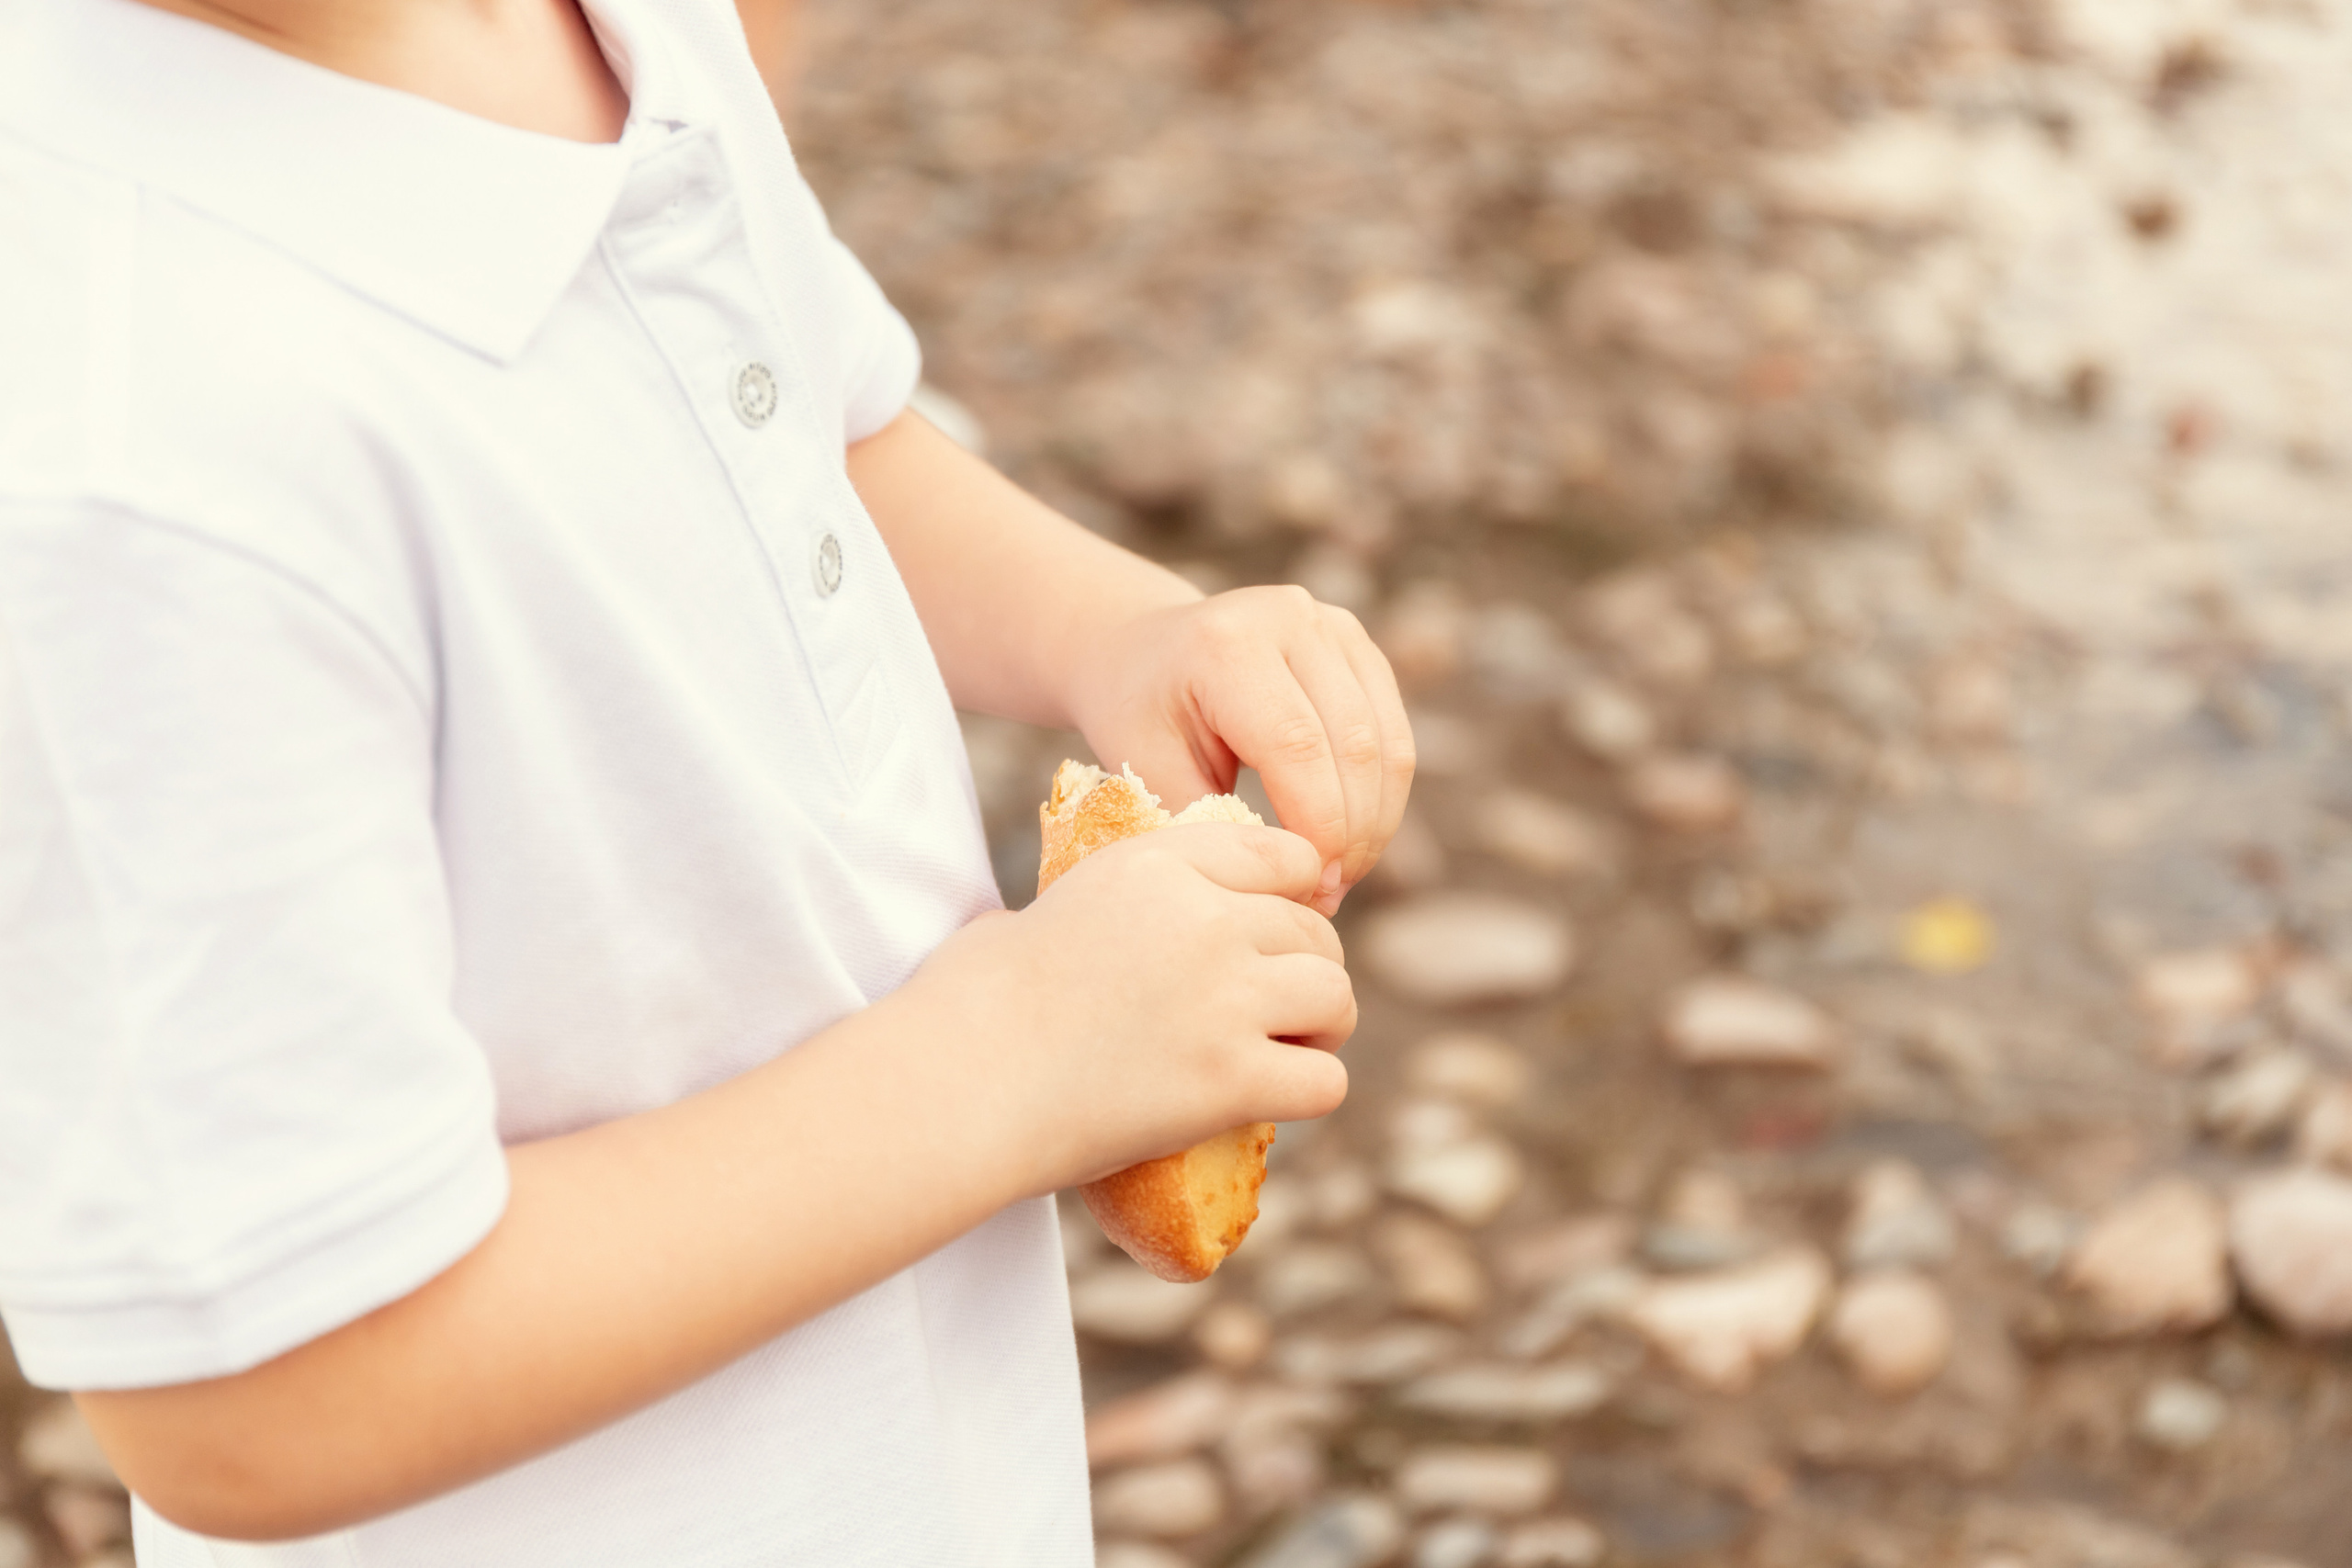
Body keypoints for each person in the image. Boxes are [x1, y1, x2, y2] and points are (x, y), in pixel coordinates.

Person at [0, 0, 1414, 1563]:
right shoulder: (128, 466)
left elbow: (801, 418)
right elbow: (256, 1400)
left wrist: (1121, 631)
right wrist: (1015, 1061)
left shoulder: (612, 28)